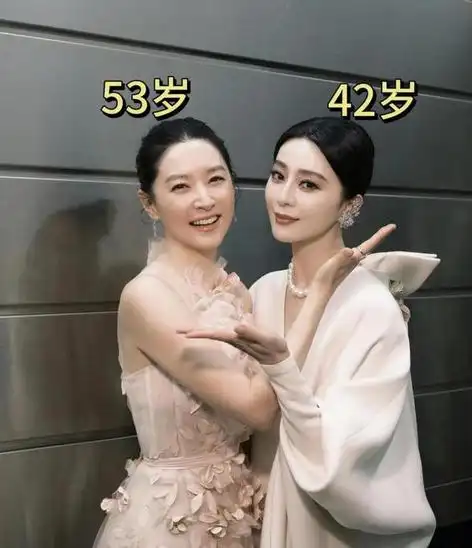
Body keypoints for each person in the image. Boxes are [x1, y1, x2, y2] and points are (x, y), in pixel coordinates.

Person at [92, 116, 393, 548]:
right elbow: (258, 408)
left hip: (243, 514)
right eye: (180, 186)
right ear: (150, 203)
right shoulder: (147, 297)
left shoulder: (240, 291)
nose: (204, 200)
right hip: (173, 523)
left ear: (234, 188)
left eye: (216, 180)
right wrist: (321, 292)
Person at [184, 117, 440, 547]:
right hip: (259, 513)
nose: (284, 197)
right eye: (278, 176)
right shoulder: (262, 292)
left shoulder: (372, 309)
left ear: (349, 204)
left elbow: (342, 459)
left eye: (308, 184)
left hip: (328, 528)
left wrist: (280, 365)